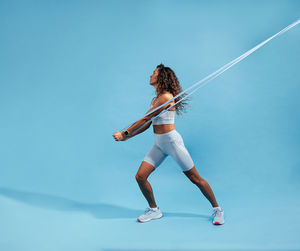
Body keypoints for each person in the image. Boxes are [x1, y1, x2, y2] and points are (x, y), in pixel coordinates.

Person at [112, 64, 224, 225]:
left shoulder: (165, 97)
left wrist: (125, 133)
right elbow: (147, 124)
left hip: (171, 142)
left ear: (161, 77)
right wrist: (127, 137)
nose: (150, 75)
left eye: (154, 73)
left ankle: (218, 210)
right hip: (159, 144)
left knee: (195, 178)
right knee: (141, 177)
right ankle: (154, 210)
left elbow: (143, 119)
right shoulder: (156, 99)